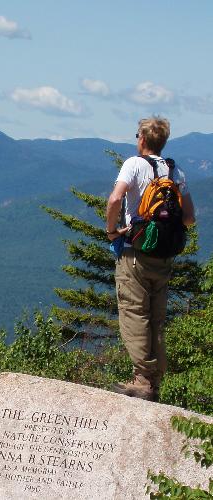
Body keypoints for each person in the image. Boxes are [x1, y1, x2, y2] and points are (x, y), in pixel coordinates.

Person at [106, 117, 195, 401]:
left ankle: (142, 379)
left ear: (142, 139)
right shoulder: (175, 170)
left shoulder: (134, 164)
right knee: (156, 318)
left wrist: (111, 230)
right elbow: (190, 218)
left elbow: (114, 200)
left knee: (134, 312)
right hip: (164, 256)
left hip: (136, 252)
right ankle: (153, 383)